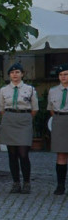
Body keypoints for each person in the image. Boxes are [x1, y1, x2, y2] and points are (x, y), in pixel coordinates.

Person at [0, 63, 38, 194]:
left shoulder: (30, 89)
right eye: (12, 73)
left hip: (24, 119)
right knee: (12, 154)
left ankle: (26, 182)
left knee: (23, 153)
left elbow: (34, 108)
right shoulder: (4, 90)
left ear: (22, 74)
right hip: (9, 119)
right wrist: (10, 117)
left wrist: (24, 118)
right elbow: (1, 109)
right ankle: (16, 182)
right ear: (9, 75)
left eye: (17, 72)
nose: (15, 75)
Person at [48, 65, 68, 195]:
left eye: (66, 74)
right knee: (61, 154)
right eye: (61, 75)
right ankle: (60, 185)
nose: (63, 77)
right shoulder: (53, 91)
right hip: (59, 120)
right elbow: (51, 109)